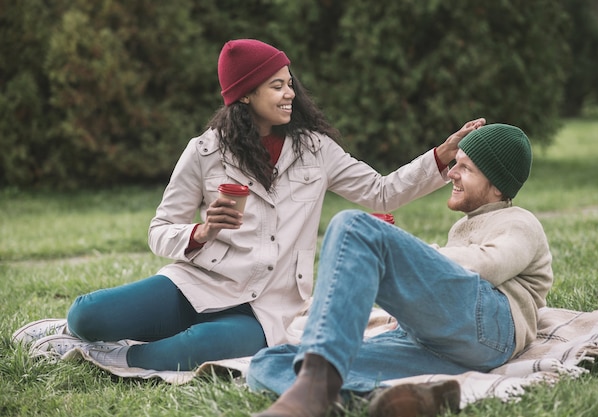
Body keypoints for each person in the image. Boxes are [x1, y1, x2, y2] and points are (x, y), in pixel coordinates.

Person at [12, 39, 485, 372]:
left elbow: (381, 193)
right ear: (246, 94)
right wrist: (200, 233)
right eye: (276, 85)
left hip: (267, 307)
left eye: (289, 83)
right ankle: (73, 333)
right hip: (197, 285)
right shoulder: (205, 151)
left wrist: (440, 156)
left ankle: (106, 355)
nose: (290, 93)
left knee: (195, 349)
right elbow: (160, 229)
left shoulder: (316, 149)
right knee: (87, 317)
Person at [249, 123, 553, 417]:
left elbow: (488, 266)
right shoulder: (464, 225)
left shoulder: (520, 221)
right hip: (443, 347)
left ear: (498, 187)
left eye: (466, 168)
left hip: (493, 331)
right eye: (455, 163)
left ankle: (316, 389)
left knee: (353, 226)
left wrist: (407, 255)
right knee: (271, 362)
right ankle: (378, 399)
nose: (452, 174)